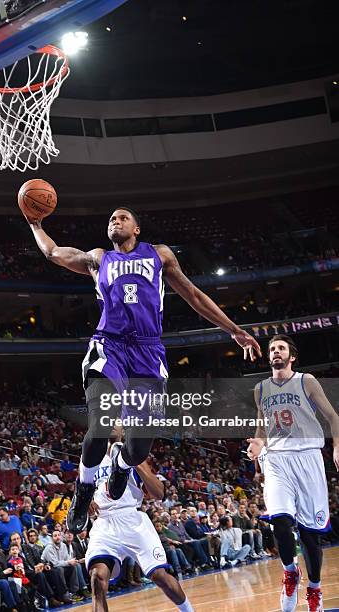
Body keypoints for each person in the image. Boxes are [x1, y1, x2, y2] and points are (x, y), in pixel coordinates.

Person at [25, 207, 261, 533]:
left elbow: (193, 295)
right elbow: (52, 252)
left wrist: (233, 329)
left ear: (137, 228)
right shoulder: (98, 259)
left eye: (122, 218)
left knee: (138, 450)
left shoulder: (159, 255)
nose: (115, 221)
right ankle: (84, 487)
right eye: (110, 219)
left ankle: (122, 464)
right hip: (109, 346)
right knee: (100, 423)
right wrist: (35, 224)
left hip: (148, 354)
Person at [247, 334, 339, 612]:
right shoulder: (260, 388)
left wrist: (337, 445)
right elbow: (262, 428)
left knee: (311, 535)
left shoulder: (306, 381)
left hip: (308, 458)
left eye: (281, 348)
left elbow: (333, 417)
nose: (275, 352)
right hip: (276, 459)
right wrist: (256, 447)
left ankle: (314, 589)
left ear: (292, 355)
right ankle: (290, 571)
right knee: (280, 519)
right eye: (272, 348)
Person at [84, 439, 195, 612]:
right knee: (97, 579)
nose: (111, 423)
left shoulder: (132, 454)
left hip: (132, 519)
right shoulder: (90, 457)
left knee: (159, 576)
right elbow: (82, 490)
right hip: (104, 522)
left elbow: (159, 493)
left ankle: (188, 610)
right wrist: (87, 501)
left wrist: (137, 465)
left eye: (116, 420)